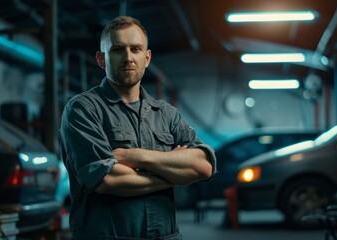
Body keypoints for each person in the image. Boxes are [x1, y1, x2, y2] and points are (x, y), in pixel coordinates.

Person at [58, 16, 217, 240]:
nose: (128, 58)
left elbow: (203, 166)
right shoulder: (83, 110)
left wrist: (135, 157)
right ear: (101, 59)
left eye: (136, 49)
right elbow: (108, 180)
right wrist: (175, 173)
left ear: (147, 57)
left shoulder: (166, 114)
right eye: (117, 50)